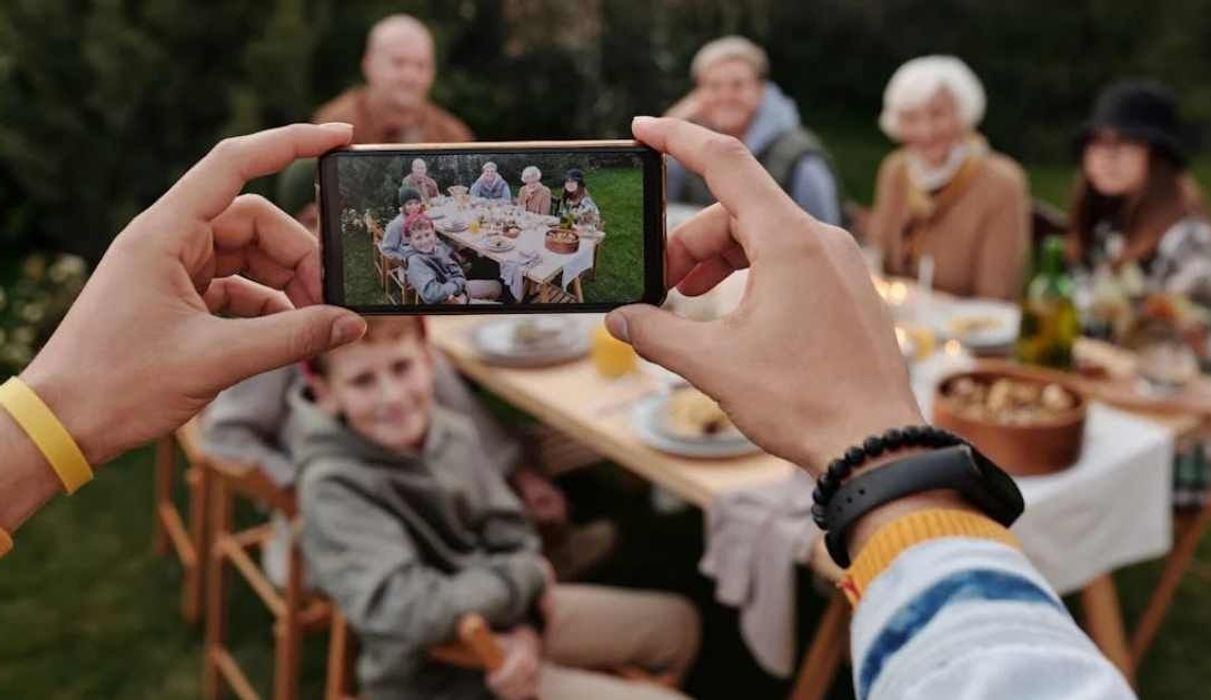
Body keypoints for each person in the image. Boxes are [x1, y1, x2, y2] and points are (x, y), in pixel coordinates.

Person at [0, 119, 1133, 700]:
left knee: (668, 617)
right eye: (371, 374)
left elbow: (487, 502)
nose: (399, 387)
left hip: (506, 593)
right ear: (317, 370)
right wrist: (520, 591)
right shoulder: (343, 473)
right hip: (461, 659)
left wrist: (47, 419)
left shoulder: (444, 414)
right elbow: (404, 601)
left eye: (407, 368)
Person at [202, 167, 614, 585]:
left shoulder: (364, 294)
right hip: (359, 494)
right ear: (309, 220)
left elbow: (445, 391)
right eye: (349, 216)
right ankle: (522, 582)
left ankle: (533, 551)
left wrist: (516, 473)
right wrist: (307, 489)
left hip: (413, 457)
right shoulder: (280, 318)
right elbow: (225, 436)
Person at [295, 316, 701, 700]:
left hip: (509, 617)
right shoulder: (333, 487)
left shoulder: (449, 433)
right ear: (327, 393)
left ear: (428, 358)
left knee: (678, 624)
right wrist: (519, 584)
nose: (393, 396)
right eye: (363, 381)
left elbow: (512, 531)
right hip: (443, 674)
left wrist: (525, 626)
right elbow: (406, 609)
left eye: (402, 368)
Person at [1067, 79, 1211, 508]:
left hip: (1189, 428)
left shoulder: (1191, 247)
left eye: (1125, 145)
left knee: (1060, 466)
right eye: (1097, 144)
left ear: (1159, 159)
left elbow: (1194, 360)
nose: (1105, 158)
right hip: (1125, 397)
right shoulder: (1113, 231)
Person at [866, 56, 1031, 300]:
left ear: (963, 114)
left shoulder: (1002, 183)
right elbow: (877, 258)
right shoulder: (895, 170)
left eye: (938, 115)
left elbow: (996, 296)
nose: (926, 131)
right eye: (911, 118)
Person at [664, 36, 842, 226]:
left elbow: (827, 236)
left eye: (737, 85)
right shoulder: (683, 156)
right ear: (697, 94)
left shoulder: (801, 161)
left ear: (760, 90)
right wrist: (674, 122)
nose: (726, 96)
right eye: (714, 86)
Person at [313, 14, 472, 144]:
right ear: (368, 64)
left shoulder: (452, 136)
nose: (410, 76)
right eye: (399, 63)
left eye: (421, 65)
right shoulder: (334, 126)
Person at [404, 213, 503, 304]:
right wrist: (457, 287)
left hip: (456, 288)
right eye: (418, 238)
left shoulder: (437, 249)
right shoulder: (416, 262)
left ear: (433, 232)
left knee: (496, 286)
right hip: (447, 301)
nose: (425, 241)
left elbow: (455, 268)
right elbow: (432, 294)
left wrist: (458, 284)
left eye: (427, 234)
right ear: (411, 241)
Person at [380, 186, 426, 260]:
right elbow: (386, 249)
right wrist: (403, 259)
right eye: (409, 204)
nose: (414, 207)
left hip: (425, 255)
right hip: (410, 261)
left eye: (417, 203)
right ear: (403, 206)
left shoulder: (421, 218)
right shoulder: (397, 224)